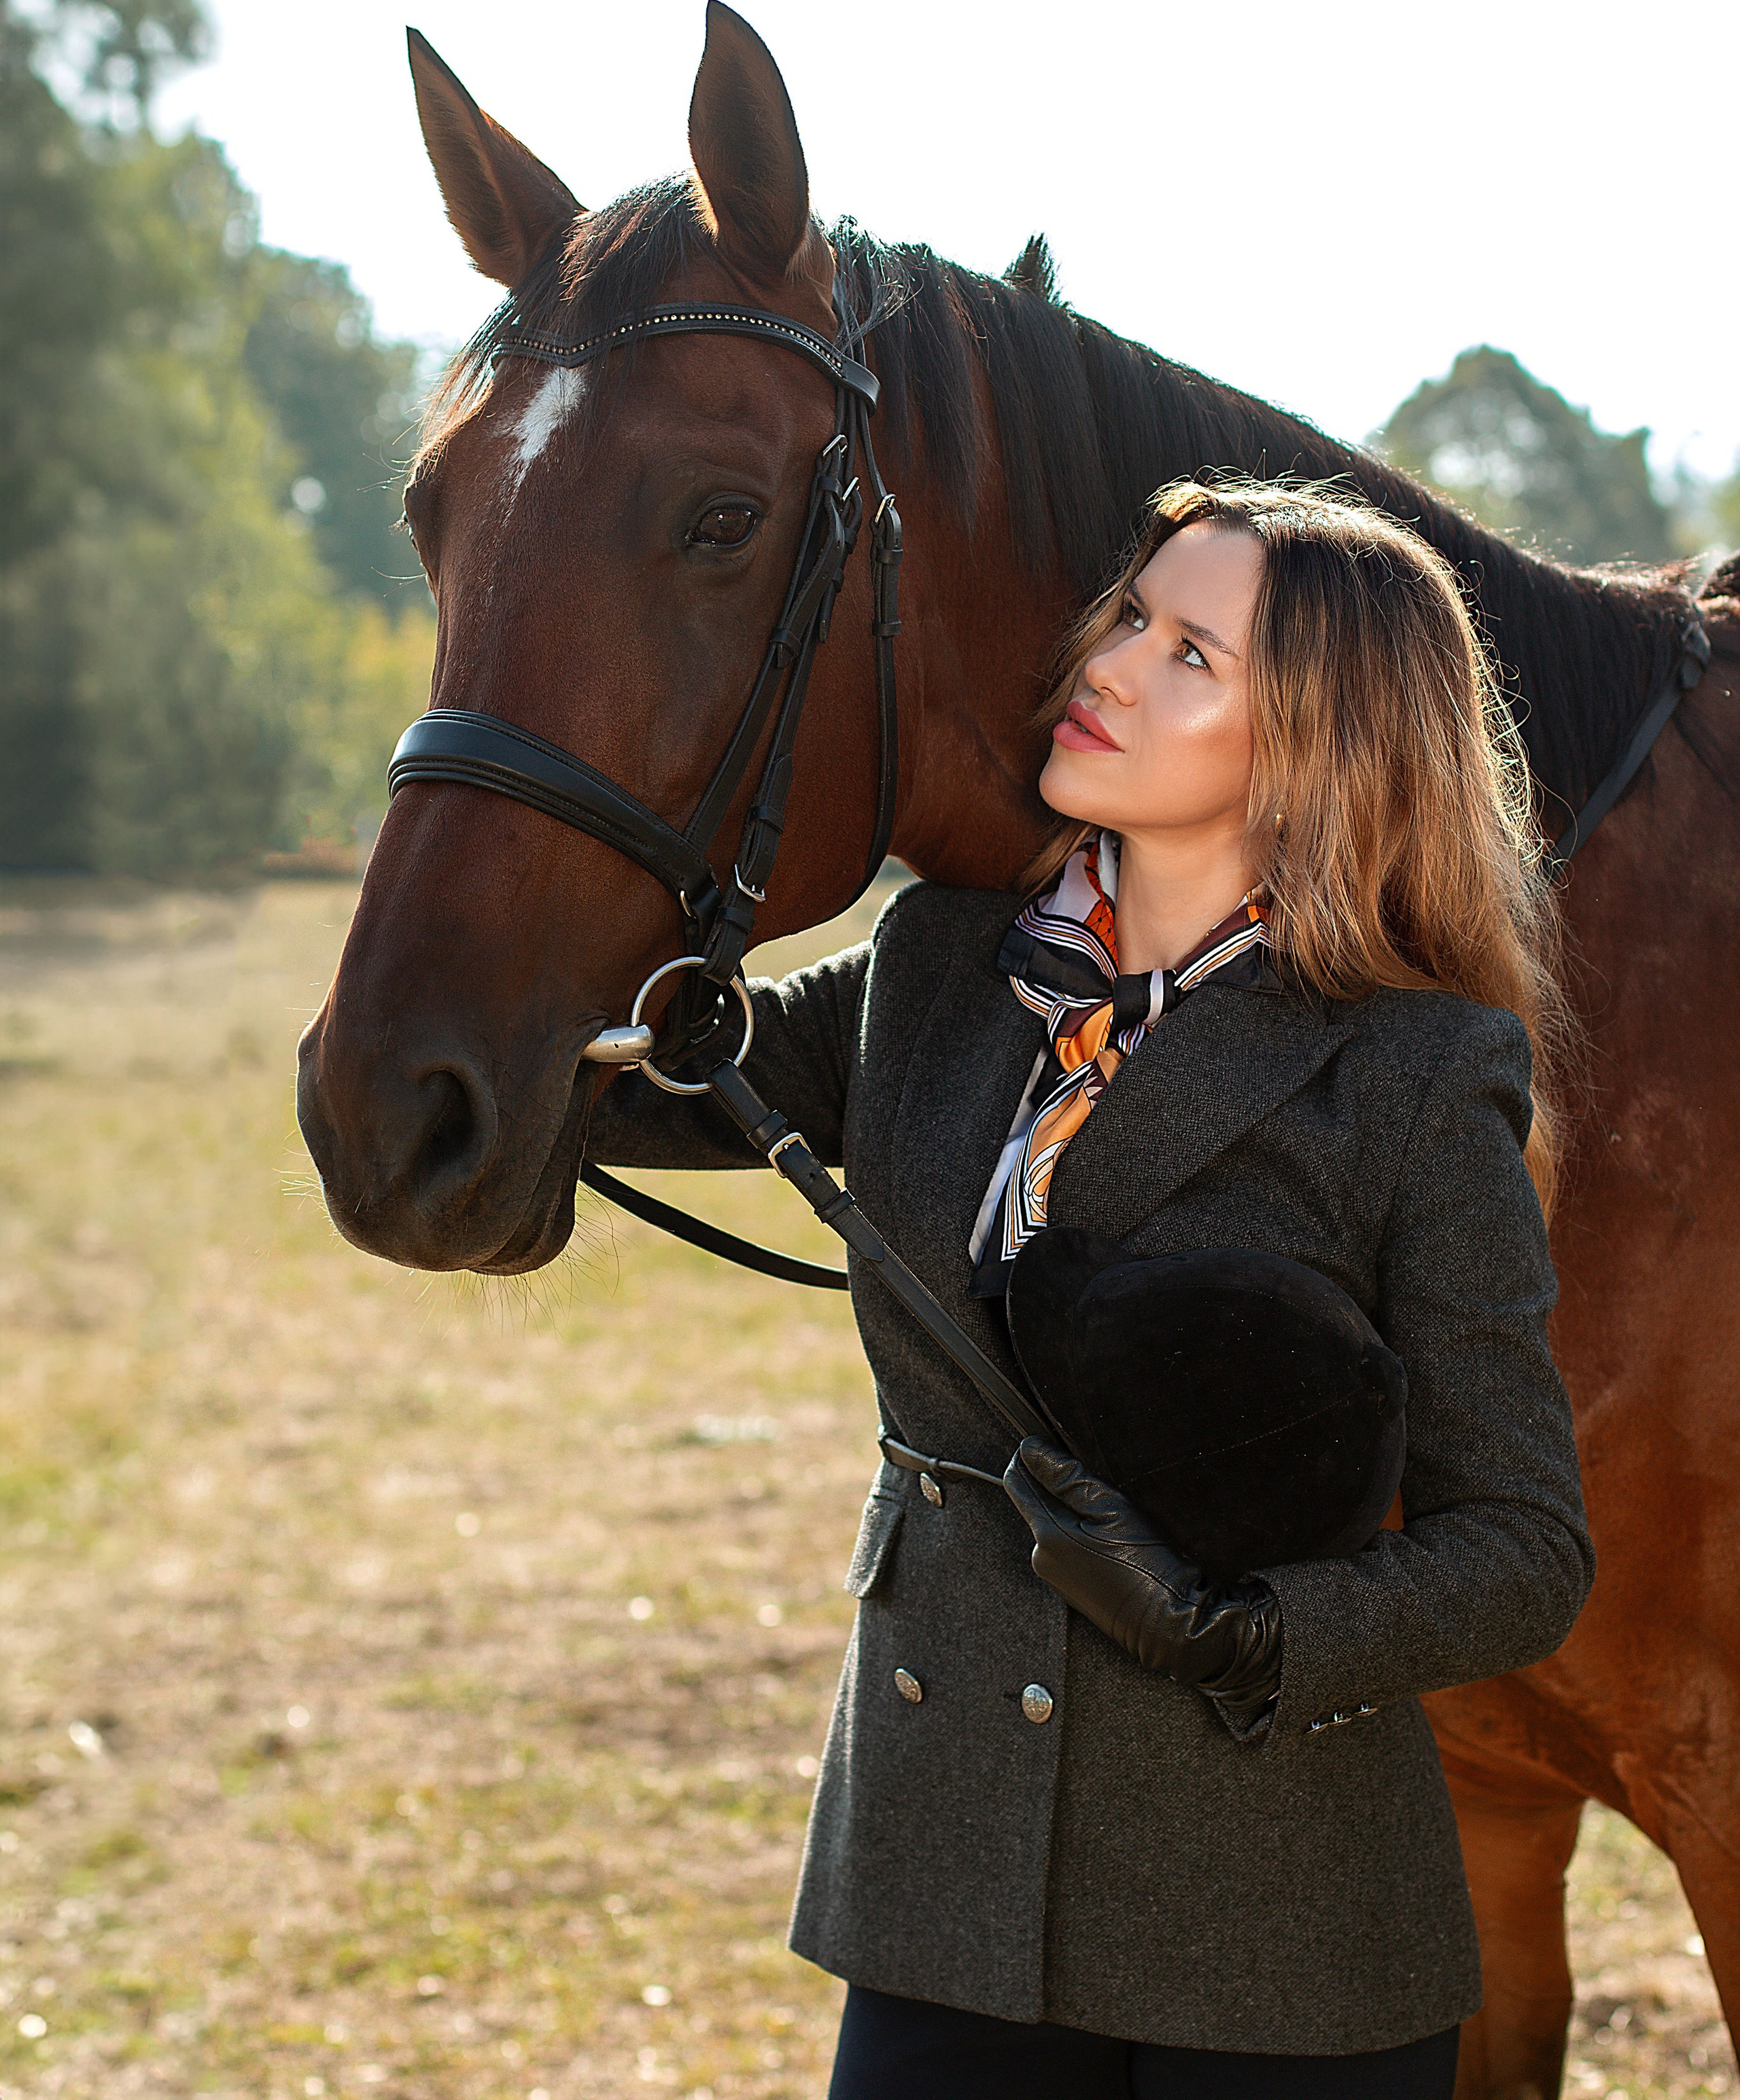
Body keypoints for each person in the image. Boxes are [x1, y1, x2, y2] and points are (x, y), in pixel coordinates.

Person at [586, 477, 1595, 2099]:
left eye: (1189, 651)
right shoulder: (931, 968)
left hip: (1279, 1933)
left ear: (1315, 744)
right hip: (940, 1880)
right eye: (1130, 612)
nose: (1109, 663)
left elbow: (1527, 1549)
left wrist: (1240, 1629)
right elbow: (595, 1071)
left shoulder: (1414, 1069)